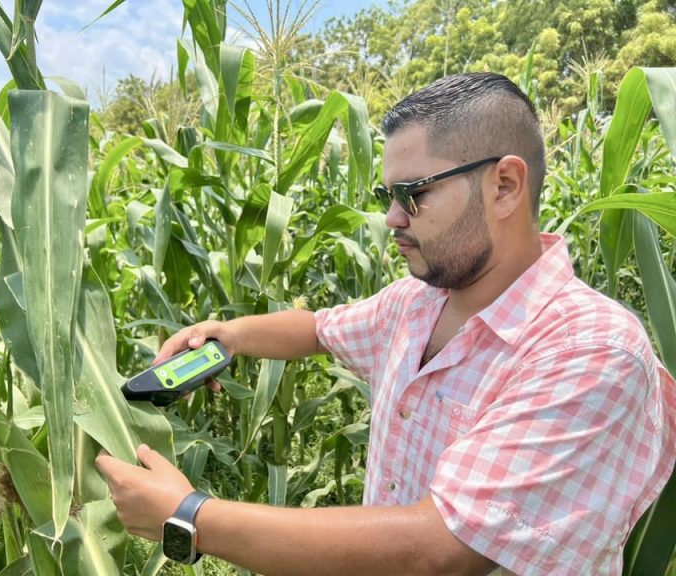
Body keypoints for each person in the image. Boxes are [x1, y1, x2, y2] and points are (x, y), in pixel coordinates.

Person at [96, 72, 676, 575]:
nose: (392, 218)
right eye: (387, 195)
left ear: (504, 186)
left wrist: (189, 515)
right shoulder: (418, 301)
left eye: (413, 195)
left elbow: (437, 550)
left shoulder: (590, 350)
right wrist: (228, 335)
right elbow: (318, 328)